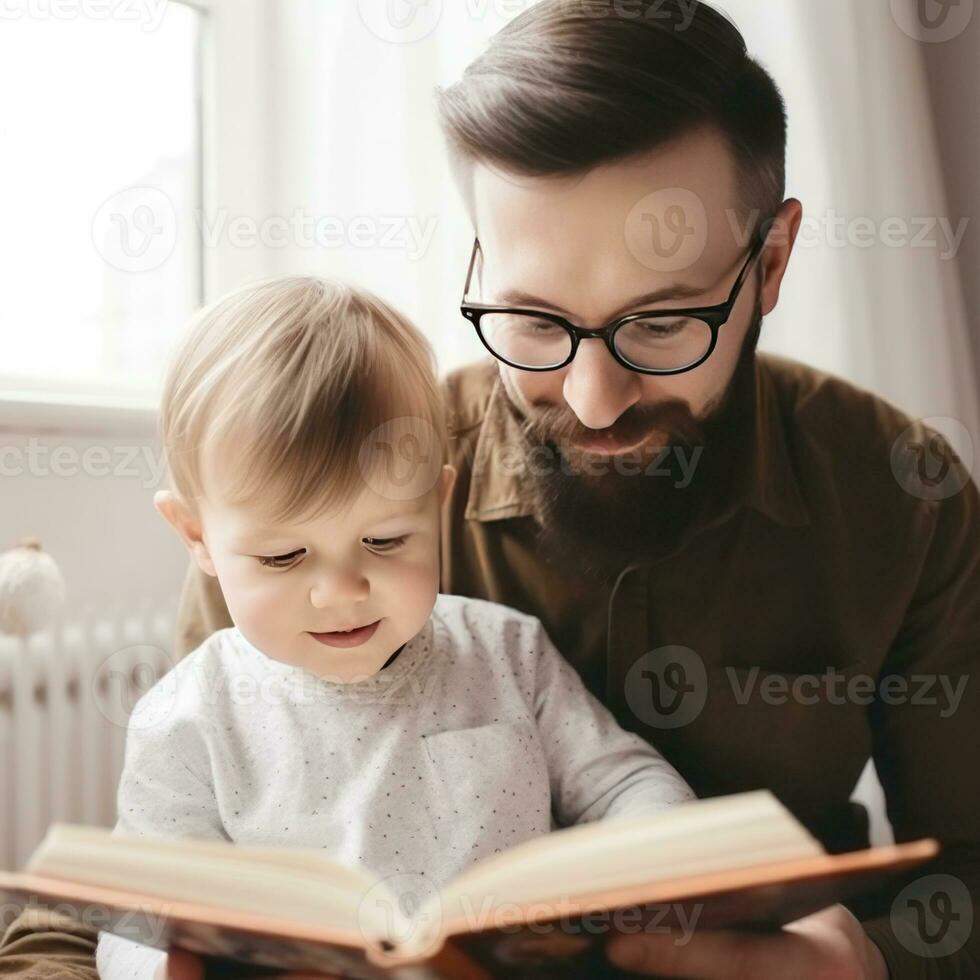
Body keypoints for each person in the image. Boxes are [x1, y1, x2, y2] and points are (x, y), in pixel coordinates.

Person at [3, 2, 977, 978]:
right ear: (476, 262)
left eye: (661, 323)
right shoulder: (315, 482)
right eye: (534, 319)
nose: (594, 400)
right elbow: (137, 901)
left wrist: (871, 962)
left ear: (767, 263)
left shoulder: (903, 495)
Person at [91, 275, 694, 979]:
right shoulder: (187, 719)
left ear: (437, 506)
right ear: (197, 536)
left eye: (385, 541)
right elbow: (138, 913)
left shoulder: (508, 652)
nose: (342, 592)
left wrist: (657, 866)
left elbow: (626, 785)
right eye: (283, 556)